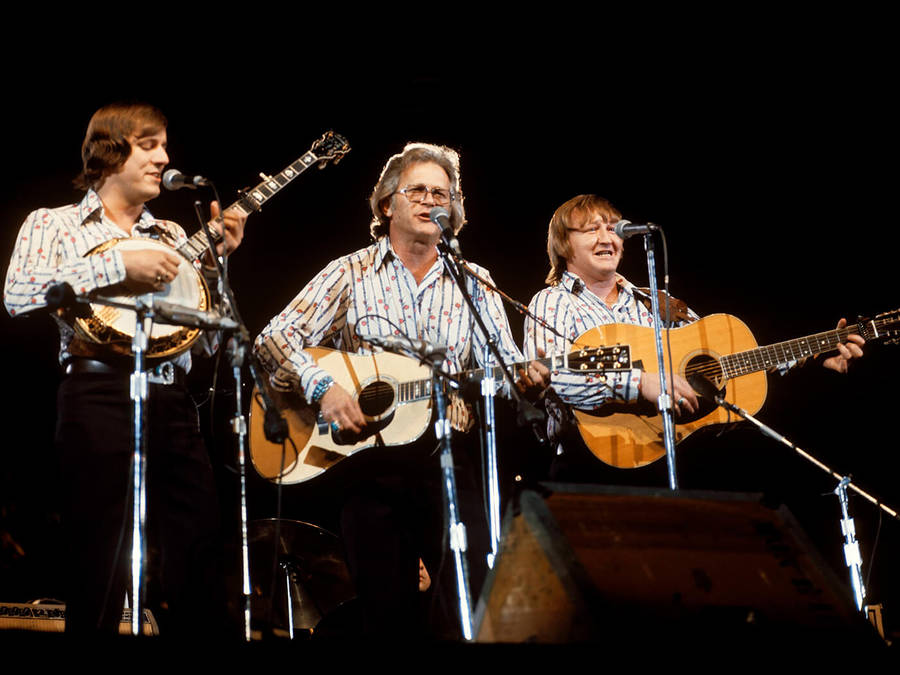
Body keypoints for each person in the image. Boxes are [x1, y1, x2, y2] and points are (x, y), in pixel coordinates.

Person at [254, 142, 548, 638]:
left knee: (472, 601)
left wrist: (530, 379)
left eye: (442, 192)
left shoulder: (476, 281)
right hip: (369, 466)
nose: (431, 199)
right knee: (385, 614)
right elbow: (274, 339)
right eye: (417, 189)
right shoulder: (349, 271)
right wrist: (324, 387)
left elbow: (506, 367)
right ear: (387, 203)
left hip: (449, 459)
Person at [4, 102, 246, 636]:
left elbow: (205, 346)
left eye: (165, 146)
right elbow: (17, 294)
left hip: (172, 402)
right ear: (111, 150)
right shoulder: (54, 223)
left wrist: (215, 266)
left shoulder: (172, 236)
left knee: (199, 556)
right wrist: (117, 264)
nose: (165, 157)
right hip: (98, 397)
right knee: (98, 560)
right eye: (150, 144)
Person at [523, 194, 864, 480]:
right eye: (590, 229)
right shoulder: (551, 301)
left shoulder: (653, 302)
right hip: (589, 467)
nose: (606, 237)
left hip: (675, 461)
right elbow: (556, 377)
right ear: (564, 244)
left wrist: (816, 353)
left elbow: (729, 357)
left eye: (612, 228)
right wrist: (640, 383)